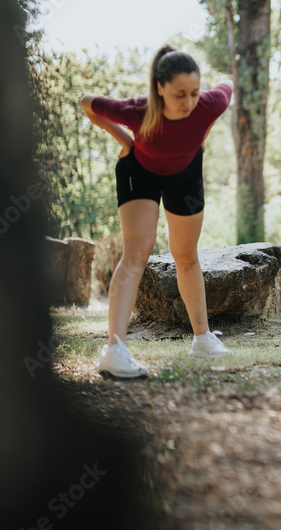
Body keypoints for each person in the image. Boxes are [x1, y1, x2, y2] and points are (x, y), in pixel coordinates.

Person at [80, 45, 234, 377]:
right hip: (140, 173)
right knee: (137, 252)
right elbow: (87, 103)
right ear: (159, 87)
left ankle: (203, 338)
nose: (189, 102)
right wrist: (123, 140)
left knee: (186, 254)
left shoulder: (208, 104)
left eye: (194, 92)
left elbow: (228, 87)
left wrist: (201, 136)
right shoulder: (137, 111)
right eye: (180, 94)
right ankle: (114, 349)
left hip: (186, 174)